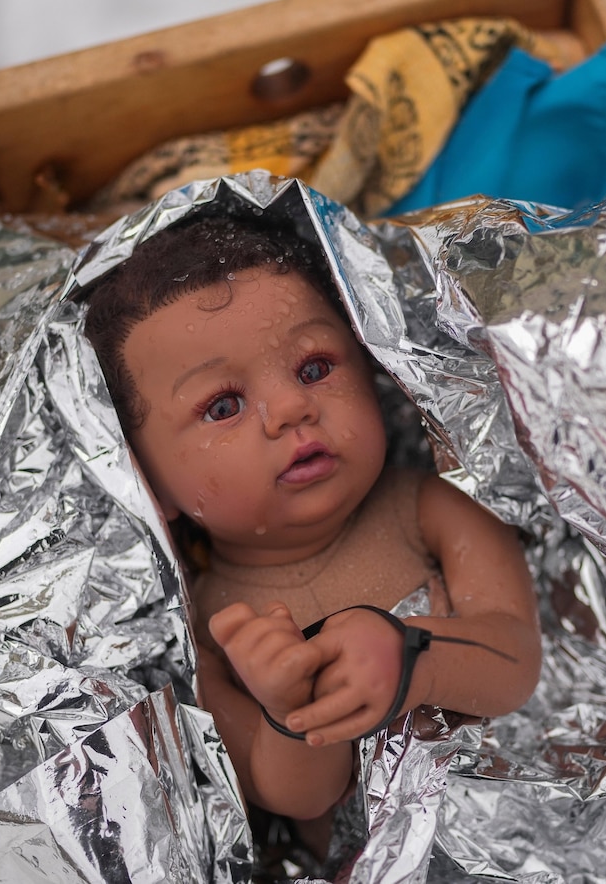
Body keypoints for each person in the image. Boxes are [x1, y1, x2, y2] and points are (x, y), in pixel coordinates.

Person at [83, 213, 542, 864]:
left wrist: (415, 658)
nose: (293, 408)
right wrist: (288, 712)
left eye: (314, 366)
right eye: (223, 405)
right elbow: (299, 801)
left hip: (514, 821)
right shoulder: (212, 625)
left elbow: (516, 659)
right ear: (148, 486)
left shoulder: (425, 508)